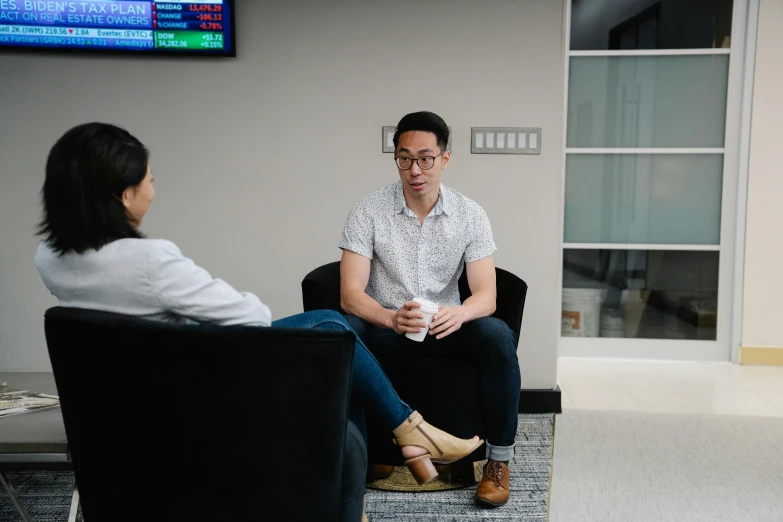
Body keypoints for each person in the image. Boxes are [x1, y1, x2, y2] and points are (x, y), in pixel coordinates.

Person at [34, 122, 483, 522]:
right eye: (148, 179)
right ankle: (412, 432)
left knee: (335, 343)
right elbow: (251, 316)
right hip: (201, 391)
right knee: (333, 329)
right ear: (122, 194)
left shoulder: (51, 260)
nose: (152, 187)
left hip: (127, 401)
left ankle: (409, 436)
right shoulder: (148, 260)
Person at [339, 111, 521, 508]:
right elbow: (350, 294)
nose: (415, 169)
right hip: (386, 329)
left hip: (445, 328)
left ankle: (498, 462)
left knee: (497, 335)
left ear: (445, 158)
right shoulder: (367, 211)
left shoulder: (470, 214)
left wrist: (460, 314)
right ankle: (365, 455)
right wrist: (389, 317)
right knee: (341, 329)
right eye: (404, 158)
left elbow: (486, 296)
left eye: (425, 158)